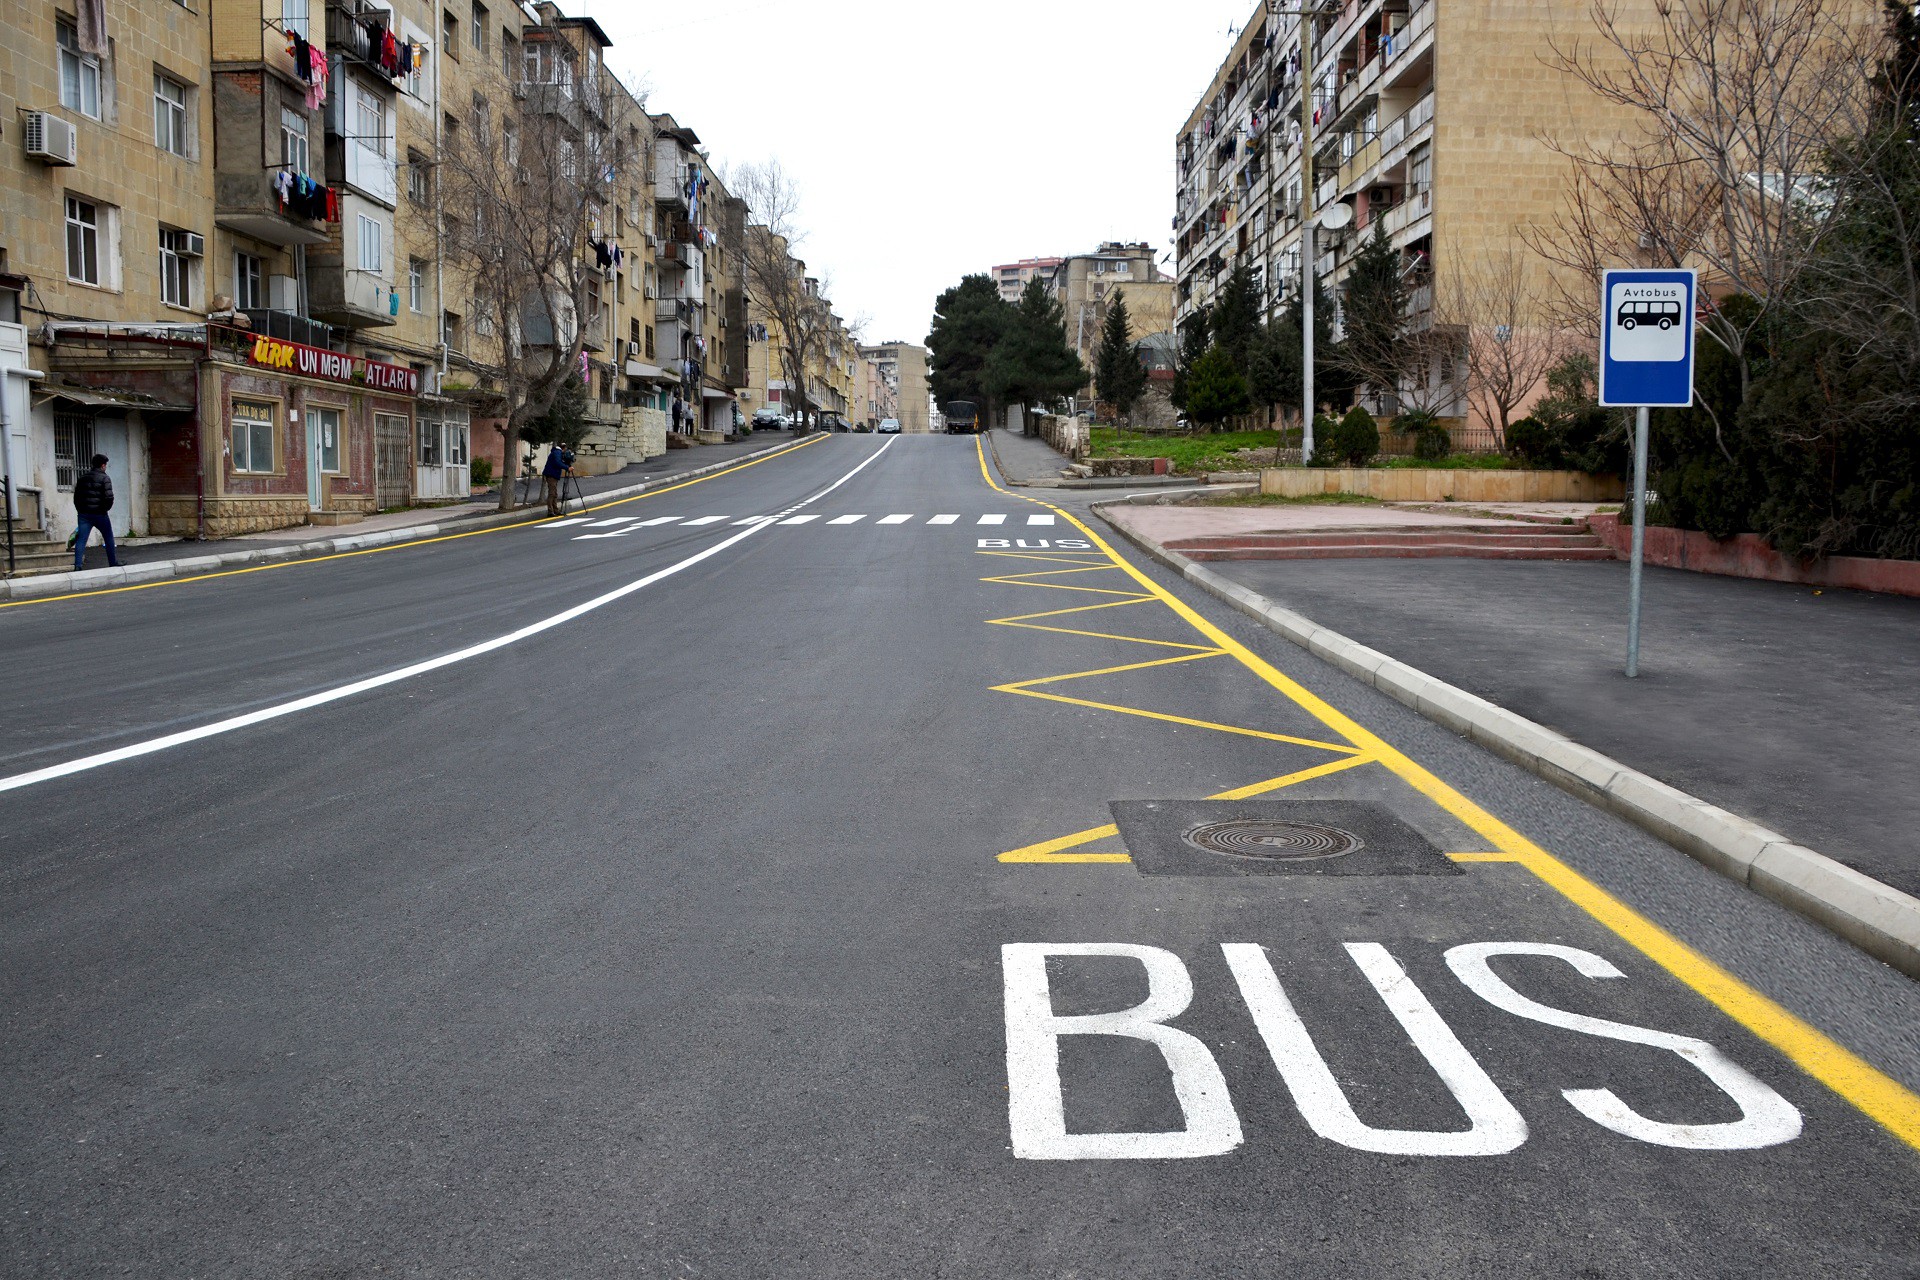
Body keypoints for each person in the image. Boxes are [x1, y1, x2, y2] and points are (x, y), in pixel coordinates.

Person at [72, 453, 120, 572]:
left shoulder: (82, 478)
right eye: (105, 465)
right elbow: (109, 497)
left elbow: (76, 497)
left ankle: (78, 565)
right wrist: (104, 509)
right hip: (100, 514)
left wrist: (80, 510)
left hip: (84, 515)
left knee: (81, 539)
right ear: (103, 465)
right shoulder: (105, 478)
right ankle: (112, 562)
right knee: (108, 537)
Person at [541, 442, 575, 516]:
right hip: (551, 475)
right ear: (564, 448)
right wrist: (567, 468)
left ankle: (555, 510)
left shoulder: (556, 452)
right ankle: (550, 511)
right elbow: (557, 463)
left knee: (555, 493)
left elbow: (559, 462)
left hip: (553, 475)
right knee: (552, 493)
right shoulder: (557, 452)